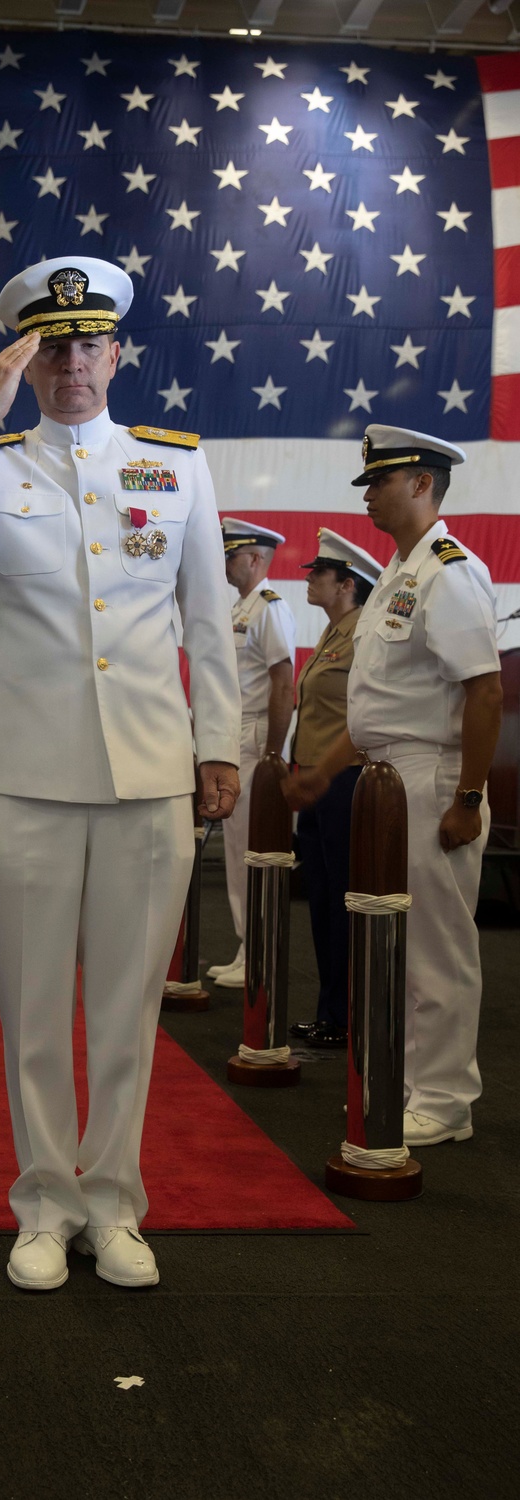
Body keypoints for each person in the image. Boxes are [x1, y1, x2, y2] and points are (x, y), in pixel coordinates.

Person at [0, 257, 241, 1291]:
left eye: (87, 343)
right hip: (32, 778)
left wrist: (217, 743)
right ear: (27, 360)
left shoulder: (175, 465)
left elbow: (202, 616)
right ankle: (43, 1203)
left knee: (130, 1009)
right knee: (34, 1007)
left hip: (147, 771)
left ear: (116, 352)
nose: (72, 364)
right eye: (50, 348)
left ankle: (115, 1205)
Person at [285, 425, 502, 1148]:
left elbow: (486, 690)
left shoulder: (449, 569)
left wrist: (468, 797)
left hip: (433, 775)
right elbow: (378, 705)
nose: (370, 494)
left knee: (438, 944)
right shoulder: (398, 577)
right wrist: (324, 769)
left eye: (381, 481)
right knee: (397, 939)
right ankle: (411, 1079)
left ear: (421, 484)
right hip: (384, 773)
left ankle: (445, 1099)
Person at [288, 529, 382, 1048]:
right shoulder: (332, 633)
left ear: (347, 584)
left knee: (345, 898)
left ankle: (349, 1013)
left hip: (345, 779)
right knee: (322, 897)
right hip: (316, 781)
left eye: (319, 573)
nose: (311, 579)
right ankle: (331, 1010)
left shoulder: (363, 633)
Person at [207, 518, 296, 989]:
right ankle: (248, 946)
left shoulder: (269, 609)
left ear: (256, 559)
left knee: (252, 850)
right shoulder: (240, 607)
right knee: (238, 850)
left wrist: (273, 755)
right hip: (237, 733)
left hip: (257, 736)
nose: (223, 562)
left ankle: (258, 952)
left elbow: (284, 682)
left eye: (230, 554)